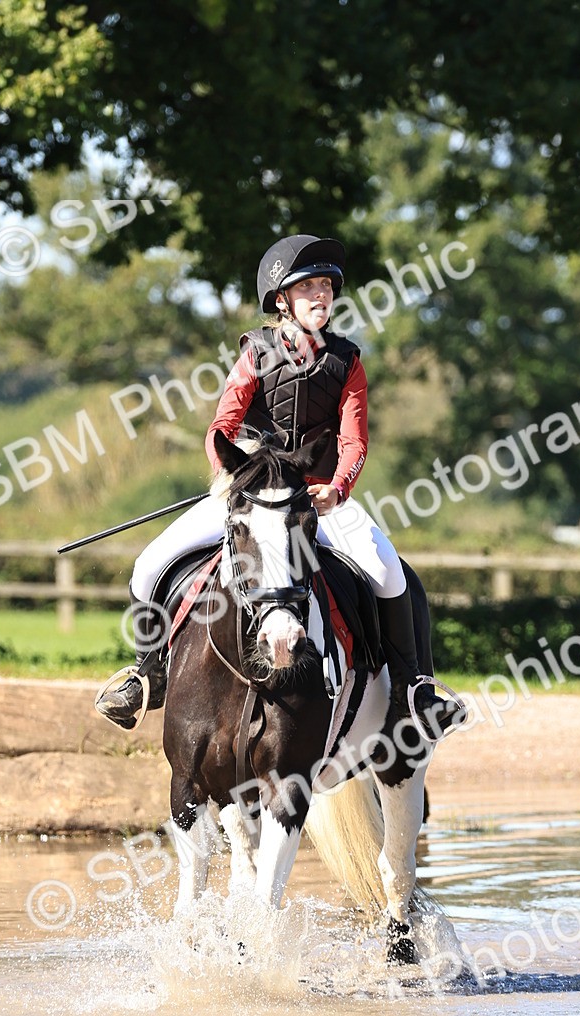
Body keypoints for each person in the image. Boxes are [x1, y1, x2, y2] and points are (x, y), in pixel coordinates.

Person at [96, 234, 464, 738]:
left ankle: (413, 691)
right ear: (282, 300)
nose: (321, 296)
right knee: (148, 566)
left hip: (316, 496)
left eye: (326, 287)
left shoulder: (348, 361)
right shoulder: (256, 354)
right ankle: (147, 674)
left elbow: (355, 441)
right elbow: (221, 429)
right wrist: (234, 478)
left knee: (391, 575)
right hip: (252, 494)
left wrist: (337, 488)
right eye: (308, 286)